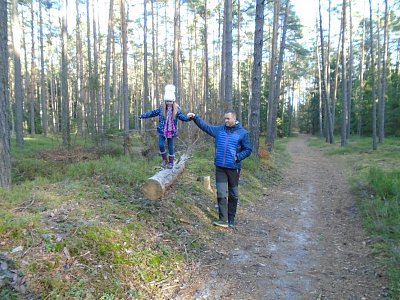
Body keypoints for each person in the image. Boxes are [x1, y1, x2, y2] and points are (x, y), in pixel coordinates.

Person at [187, 110, 252, 228]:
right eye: (225, 119)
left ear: (234, 119)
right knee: (221, 193)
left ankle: (231, 219)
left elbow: (248, 149)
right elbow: (205, 127)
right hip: (220, 167)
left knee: (233, 194)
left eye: (228, 119)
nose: (226, 121)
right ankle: (223, 220)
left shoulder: (243, 133)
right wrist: (195, 118)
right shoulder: (219, 130)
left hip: (234, 168)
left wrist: (238, 157)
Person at [139, 84, 191, 168]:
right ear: (165, 101)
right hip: (162, 130)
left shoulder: (177, 110)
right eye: (167, 101)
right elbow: (152, 113)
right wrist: (143, 115)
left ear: (173, 101)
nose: (169, 103)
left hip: (171, 131)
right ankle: (164, 159)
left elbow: (183, 117)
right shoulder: (161, 108)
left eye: (170, 101)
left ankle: (171, 162)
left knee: (170, 146)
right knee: (161, 145)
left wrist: (189, 118)